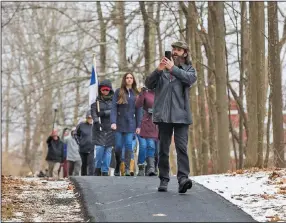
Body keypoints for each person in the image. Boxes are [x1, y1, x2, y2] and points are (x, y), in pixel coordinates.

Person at [145, 40, 197, 193]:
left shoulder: (189, 70)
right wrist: (159, 70)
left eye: (178, 50)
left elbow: (189, 80)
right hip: (163, 116)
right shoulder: (162, 71)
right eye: (173, 49)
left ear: (185, 53)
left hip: (181, 116)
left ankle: (183, 179)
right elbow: (148, 84)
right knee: (163, 149)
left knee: (181, 148)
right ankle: (164, 179)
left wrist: (173, 68)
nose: (174, 52)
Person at [110, 72, 142, 176]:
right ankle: (119, 164)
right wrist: (113, 122)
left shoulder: (137, 94)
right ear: (124, 80)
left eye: (131, 78)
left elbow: (138, 111)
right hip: (119, 123)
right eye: (127, 78)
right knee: (118, 147)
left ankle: (128, 168)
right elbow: (114, 108)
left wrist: (138, 126)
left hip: (131, 124)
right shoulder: (118, 92)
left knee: (129, 146)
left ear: (133, 80)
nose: (129, 79)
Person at [91, 80, 115, 176]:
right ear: (100, 90)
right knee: (100, 148)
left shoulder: (114, 101)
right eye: (103, 89)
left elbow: (115, 111)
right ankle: (97, 167)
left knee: (108, 150)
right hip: (99, 128)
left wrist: (105, 113)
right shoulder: (96, 102)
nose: (105, 91)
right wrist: (96, 121)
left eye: (107, 89)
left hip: (110, 127)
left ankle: (105, 170)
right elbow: (93, 112)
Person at [135, 87, 159, 176]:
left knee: (156, 149)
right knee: (145, 146)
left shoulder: (159, 94)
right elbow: (137, 109)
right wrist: (138, 126)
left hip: (156, 125)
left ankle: (153, 167)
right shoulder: (142, 96)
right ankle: (144, 167)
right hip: (142, 126)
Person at [75, 111, 94, 176]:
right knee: (84, 164)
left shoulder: (95, 125)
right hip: (83, 148)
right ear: (86, 118)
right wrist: (79, 142)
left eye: (91, 118)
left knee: (91, 163)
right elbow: (76, 134)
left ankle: (91, 177)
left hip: (92, 148)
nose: (90, 119)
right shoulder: (81, 125)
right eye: (89, 118)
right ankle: (83, 178)